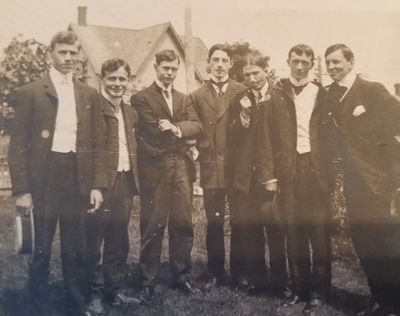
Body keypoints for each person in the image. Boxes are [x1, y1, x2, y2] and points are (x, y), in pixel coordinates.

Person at [8, 31, 106, 316]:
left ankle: (75, 303)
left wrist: (96, 186)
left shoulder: (88, 94)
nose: (68, 58)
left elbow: (98, 144)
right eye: (63, 52)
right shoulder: (31, 92)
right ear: (51, 53)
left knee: (75, 247)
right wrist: (22, 191)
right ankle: (36, 305)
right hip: (44, 178)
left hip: (77, 178)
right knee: (40, 248)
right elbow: (18, 147)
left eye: (73, 53)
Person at [320, 44, 400, 315]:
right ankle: (379, 300)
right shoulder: (328, 94)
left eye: (336, 62)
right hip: (353, 186)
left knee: (386, 244)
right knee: (364, 245)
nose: (332, 67)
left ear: (351, 62)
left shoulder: (372, 90)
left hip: (378, 183)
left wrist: (391, 171)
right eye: (328, 63)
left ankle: (393, 303)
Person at [262, 44, 332, 314]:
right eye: (295, 61)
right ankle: (298, 289)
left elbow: (332, 137)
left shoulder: (322, 94)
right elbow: (267, 136)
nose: (300, 66)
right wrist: (270, 174)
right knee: (293, 232)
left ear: (313, 64)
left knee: (318, 232)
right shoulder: (277, 92)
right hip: (288, 170)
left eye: (305, 61)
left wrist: (329, 171)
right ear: (288, 61)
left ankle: (317, 292)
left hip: (315, 171)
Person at [131, 49, 202, 302]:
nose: (170, 73)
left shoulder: (184, 99)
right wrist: (183, 137)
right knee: (153, 223)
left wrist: (175, 128)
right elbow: (151, 132)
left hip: (182, 166)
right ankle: (148, 280)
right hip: (156, 167)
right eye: (166, 68)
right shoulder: (141, 98)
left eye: (174, 69)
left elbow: (197, 125)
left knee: (183, 222)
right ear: (156, 67)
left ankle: (181, 277)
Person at [228, 51, 287, 296]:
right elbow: (231, 135)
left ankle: (280, 284)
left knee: (274, 230)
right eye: (247, 75)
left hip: (269, 176)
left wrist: (274, 175)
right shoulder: (240, 98)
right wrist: (243, 115)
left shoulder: (279, 97)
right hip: (246, 177)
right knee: (250, 231)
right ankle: (258, 282)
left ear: (265, 71)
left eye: (256, 73)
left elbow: (283, 140)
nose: (251, 78)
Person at [188, 44, 246, 288]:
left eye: (224, 60)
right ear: (208, 64)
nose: (220, 65)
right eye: (216, 60)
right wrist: (200, 145)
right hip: (212, 166)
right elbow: (194, 125)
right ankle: (215, 273)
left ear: (231, 64)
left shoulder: (242, 90)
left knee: (240, 221)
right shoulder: (197, 95)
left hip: (237, 168)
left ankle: (240, 273)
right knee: (214, 222)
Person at [85, 58, 140, 310]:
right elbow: (89, 150)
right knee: (94, 239)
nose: (118, 84)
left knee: (118, 240)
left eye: (122, 79)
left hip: (125, 181)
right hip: (102, 184)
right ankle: (93, 293)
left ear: (128, 81)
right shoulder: (93, 108)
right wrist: (94, 185)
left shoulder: (130, 112)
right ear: (102, 80)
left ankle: (112, 291)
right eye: (112, 78)